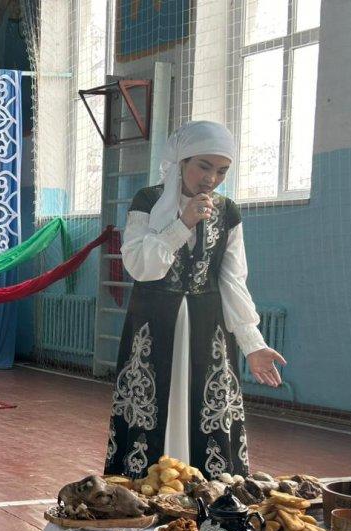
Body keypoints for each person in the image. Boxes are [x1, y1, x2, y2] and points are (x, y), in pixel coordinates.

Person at [104, 121, 285, 479]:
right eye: (204, 166)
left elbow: (232, 280)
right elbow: (139, 266)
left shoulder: (228, 211)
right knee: (151, 407)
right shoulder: (148, 201)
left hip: (208, 328)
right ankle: (145, 486)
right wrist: (182, 223)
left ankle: (208, 492)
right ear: (181, 160)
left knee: (207, 409)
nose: (211, 178)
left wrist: (253, 344)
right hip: (153, 325)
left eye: (222, 170)